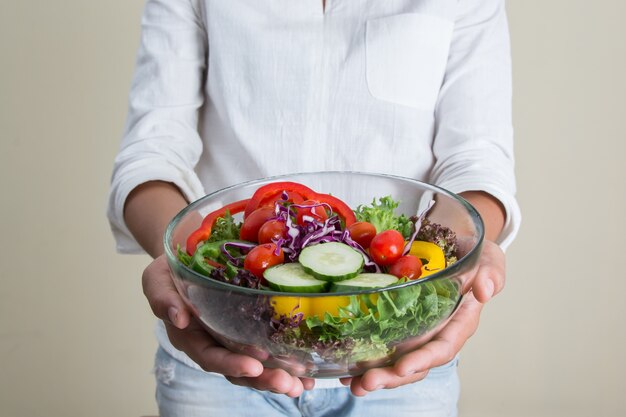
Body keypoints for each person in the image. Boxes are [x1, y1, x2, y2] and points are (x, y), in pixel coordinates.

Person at [108, 0, 521, 415]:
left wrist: (454, 256)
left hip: (396, 354)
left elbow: (478, 163)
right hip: (226, 337)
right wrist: (187, 267)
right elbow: (152, 154)